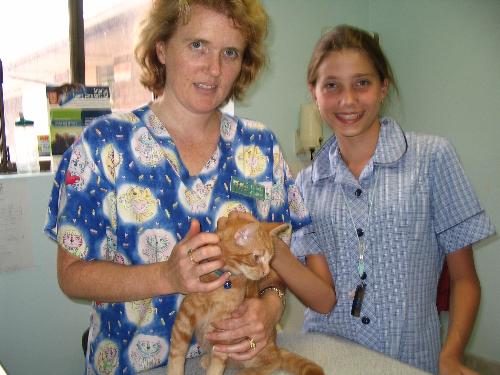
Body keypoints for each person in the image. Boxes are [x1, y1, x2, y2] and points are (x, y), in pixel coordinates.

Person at [43, 1, 310, 373]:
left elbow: (276, 260)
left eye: (229, 52)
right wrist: (164, 276)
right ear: (162, 48)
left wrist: (270, 305)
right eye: (197, 45)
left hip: (234, 364)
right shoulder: (104, 145)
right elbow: (71, 274)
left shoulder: (261, 149)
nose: (214, 69)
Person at [271, 25, 496, 375]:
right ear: (314, 93)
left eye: (362, 83)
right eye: (331, 85)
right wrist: (273, 252)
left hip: (406, 360)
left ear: (383, 87)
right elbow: (322, 297)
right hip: (327, 358)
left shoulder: (431, 158)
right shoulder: (305, 185)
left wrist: (451, 356)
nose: (347, 100)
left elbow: (465, 279)